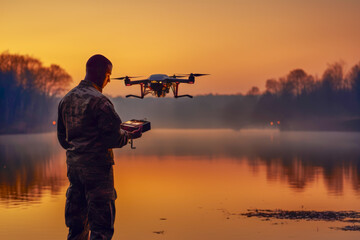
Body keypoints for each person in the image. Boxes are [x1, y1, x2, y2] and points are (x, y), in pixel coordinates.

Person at [57, 54, 141, 240]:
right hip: (97, 172)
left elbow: (63, 140)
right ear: (103, 73)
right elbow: (114, 139)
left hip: (74, 170)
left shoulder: (66, 100)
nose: (109, 80)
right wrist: (130, 134)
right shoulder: (100, 101)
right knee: (101, 230)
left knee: (77, 229)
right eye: (109, 75)